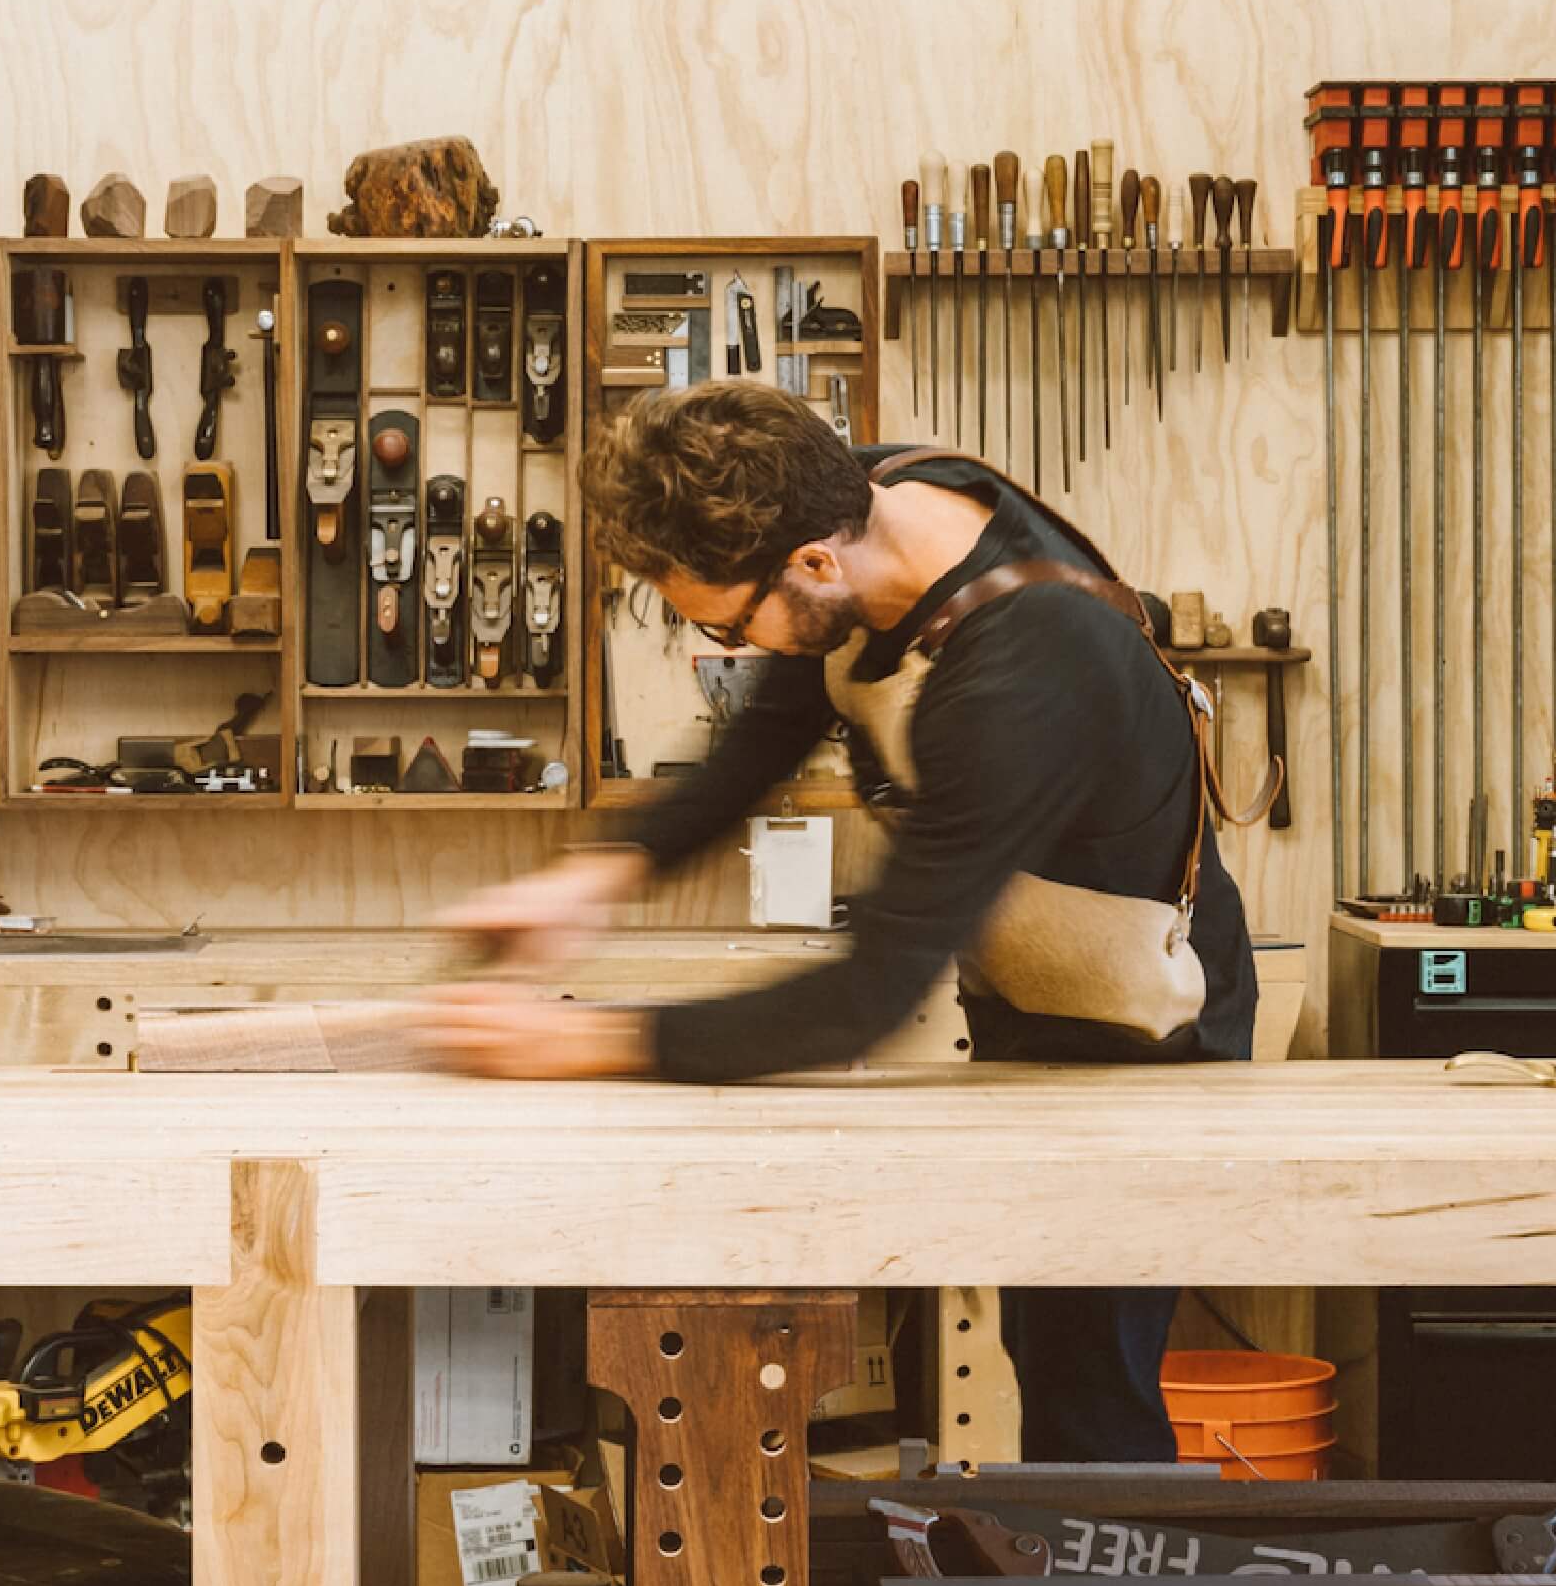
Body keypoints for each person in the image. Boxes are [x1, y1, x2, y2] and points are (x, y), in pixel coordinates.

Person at [414, 379, 1267, 1462]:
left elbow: (866, 995)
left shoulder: (1019, 667)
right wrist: (594, 875)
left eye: (724, 624)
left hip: (1147, 1039)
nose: (726, 645)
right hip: (1032, 1000)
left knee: (1085, 1388)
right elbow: (765, 735)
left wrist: (588, 1041)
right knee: (1044, 1354)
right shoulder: (851, 501)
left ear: (812, 564)